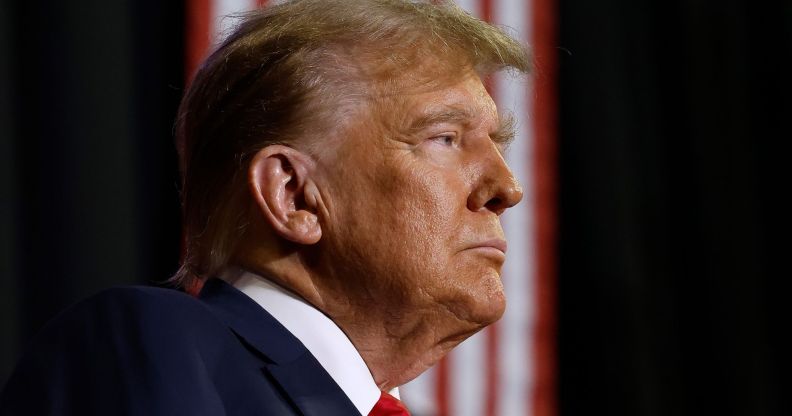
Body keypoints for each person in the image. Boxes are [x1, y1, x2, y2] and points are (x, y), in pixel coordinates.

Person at [0, 0, 529, 414]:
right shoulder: (164, 346)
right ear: (293, 195)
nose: (507, 187)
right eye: (444, 138)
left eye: (497, 144)